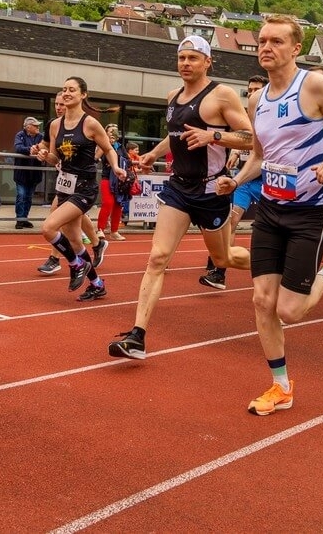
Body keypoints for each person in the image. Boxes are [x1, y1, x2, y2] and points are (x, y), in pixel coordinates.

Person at [212, 16, 323, 415]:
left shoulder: (314, 85)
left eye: (276, 41)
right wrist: (236, 178)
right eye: (261, 41)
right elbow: (260, 157)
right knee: (262, 300)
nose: (266, 47)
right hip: (270, 209)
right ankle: (281, 386)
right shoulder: (256, 99)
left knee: (290, 310)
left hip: (310, 213)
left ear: (295, 48)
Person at [107, 36, 255, 360]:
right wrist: (152, 154)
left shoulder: (221, 95)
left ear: (207, 61)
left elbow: (251, 139)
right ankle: (137, 336)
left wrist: (213, 135)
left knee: (223, 259)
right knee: (158, 257)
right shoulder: (172, 96)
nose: (185, 63)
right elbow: (173, 135)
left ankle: (270, 263)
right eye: (181, 58)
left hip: (211, 191)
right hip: (178, 189)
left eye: (192, 58)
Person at [33, 76, 125, 301]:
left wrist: (115, 166)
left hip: (84, 188)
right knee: (74, 240)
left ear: (83, 95)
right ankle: (97, 284)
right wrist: (44, 155)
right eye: (64, 89)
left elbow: (109, 149)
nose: (66, 93)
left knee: (48, 228)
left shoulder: (91, 123)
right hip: (65, 185)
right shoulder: (55, 125)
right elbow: (55, 156)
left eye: (71, 90)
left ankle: (75, 264)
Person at [200, 74, 268, 290]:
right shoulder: (243, 115)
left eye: (257, 89)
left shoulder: (274, 115)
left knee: (271, 228)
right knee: (232, 220)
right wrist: (237, 153)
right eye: (249, 90)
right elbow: (244, 139)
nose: (252, 94)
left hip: (270, 180)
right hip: (245, 180)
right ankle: (220, 270)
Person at [97, 123, 125, 239]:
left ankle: (114, 231)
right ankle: (100, 229)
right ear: (105, 133)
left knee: (118, 205)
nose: (113, 133)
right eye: (110, 131)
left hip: (119, 179)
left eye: (115, 131)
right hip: (107, 178)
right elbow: (97, 157)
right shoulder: (102, 145)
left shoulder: (120, 146)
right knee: (108, 203)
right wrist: (107, 144)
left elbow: (126, 159)